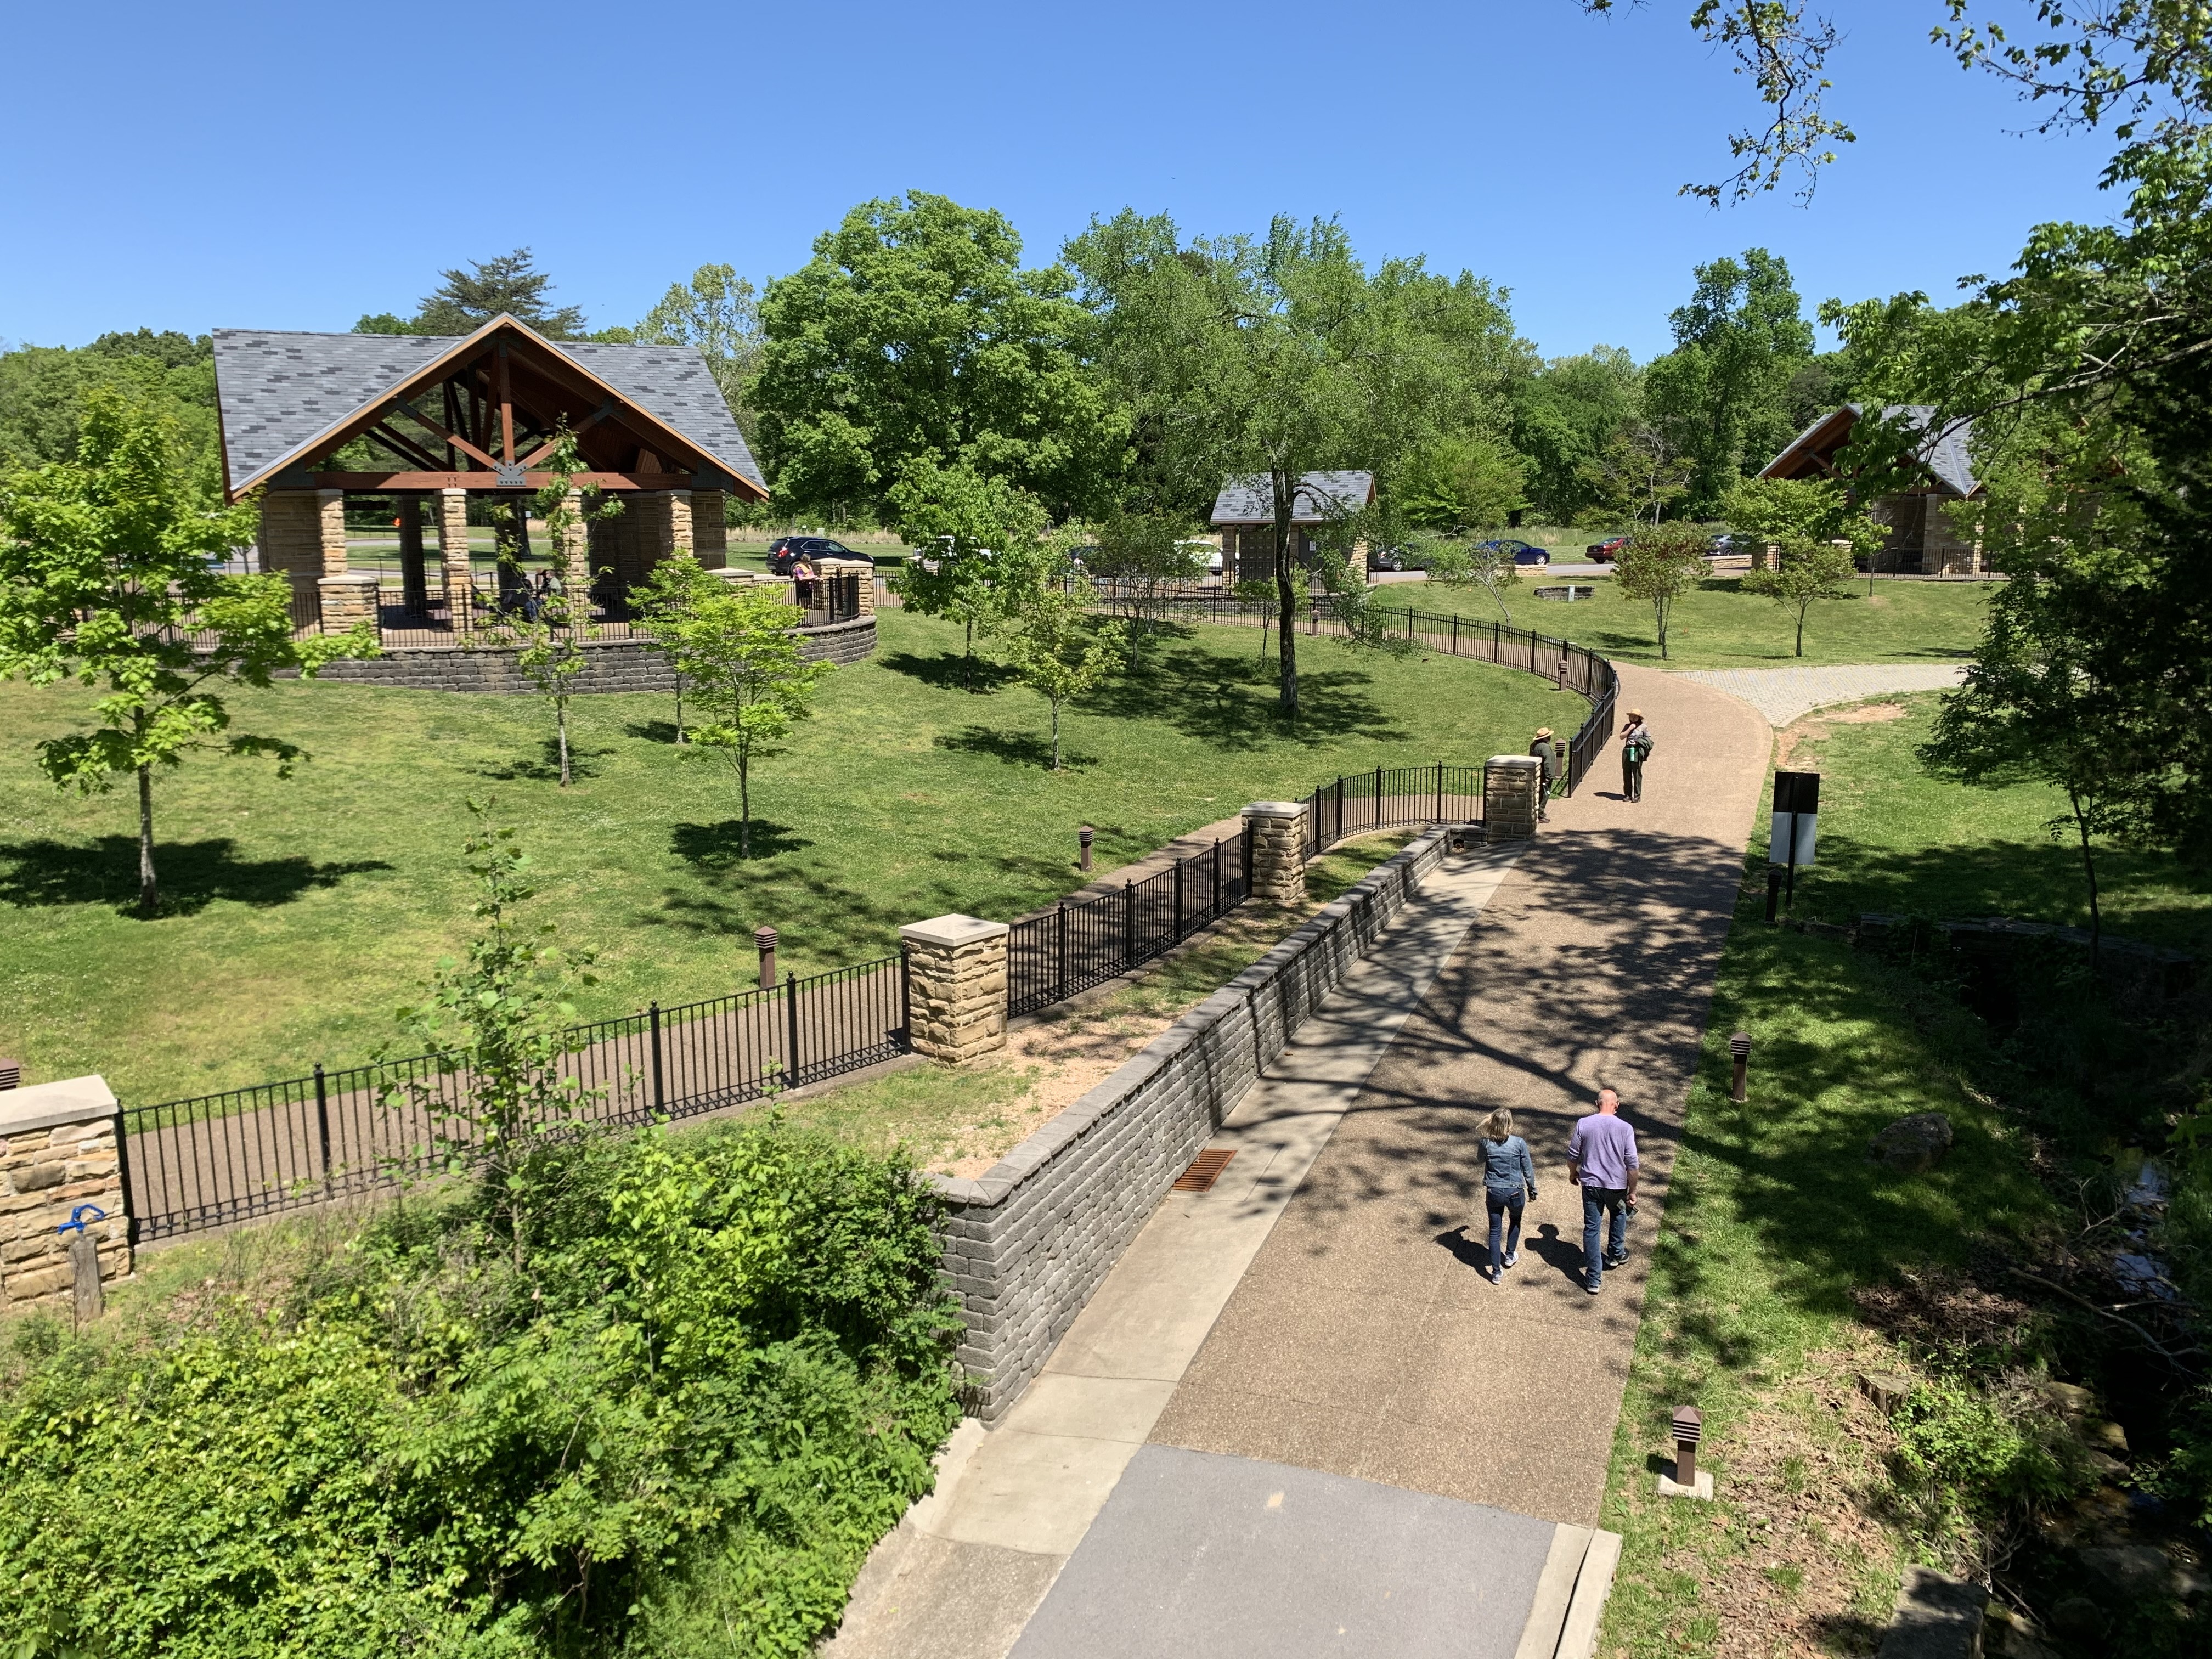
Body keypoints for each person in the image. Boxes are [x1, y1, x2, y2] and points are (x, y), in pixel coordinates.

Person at [1566, 1087, 1639, 1295]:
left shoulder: (1584, 1124)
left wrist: (1573, 1174)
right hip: (1616, 1187)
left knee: (1592, 1228)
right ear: (1617, 1106)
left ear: (1597, 1104)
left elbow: (1572, 1156)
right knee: (1618, 1213)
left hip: (1591, 1186)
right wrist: (1632, 1191)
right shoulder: (1625, 1128)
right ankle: (1616, 1254)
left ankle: (1594, 1279)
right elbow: (1632, 1165)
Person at [1475, 1108, 1537, 1283]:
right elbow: (1528, 1170)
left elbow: (1480, 1159)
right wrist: (1532, 1190)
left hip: (1494, 1192)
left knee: (1495, 1231)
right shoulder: (1519, 1143)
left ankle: (1496, 1272)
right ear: (1510, 1124)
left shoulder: (1486, 1143)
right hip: (1515, 1192)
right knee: (1515, 1220)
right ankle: (1510, 1255)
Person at [1620, 709, 1654, 803]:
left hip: (1636, 751)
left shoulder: (1643, 727)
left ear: (1639, 717)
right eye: (1631, 716)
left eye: (1635, 716)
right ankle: (1628, 794)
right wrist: (1630, 728)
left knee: (1636, 773)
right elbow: (1622, 736)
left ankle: (1637, 795)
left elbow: (1649, 741)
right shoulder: (1628, 726)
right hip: (1627, 750)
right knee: (1626, 773)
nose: (1633, 718)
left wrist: (1639, 742)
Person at [1528, 726, 1555, 821]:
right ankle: (1541, 814)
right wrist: (1548, 776)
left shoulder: (1534, 745)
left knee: (1539, 794)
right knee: (1546, 794)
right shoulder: (1545, 747)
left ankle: (1537, 812)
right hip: (1545, 776)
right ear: (1546, 738)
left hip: (1538, 774)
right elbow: (1548, 762)